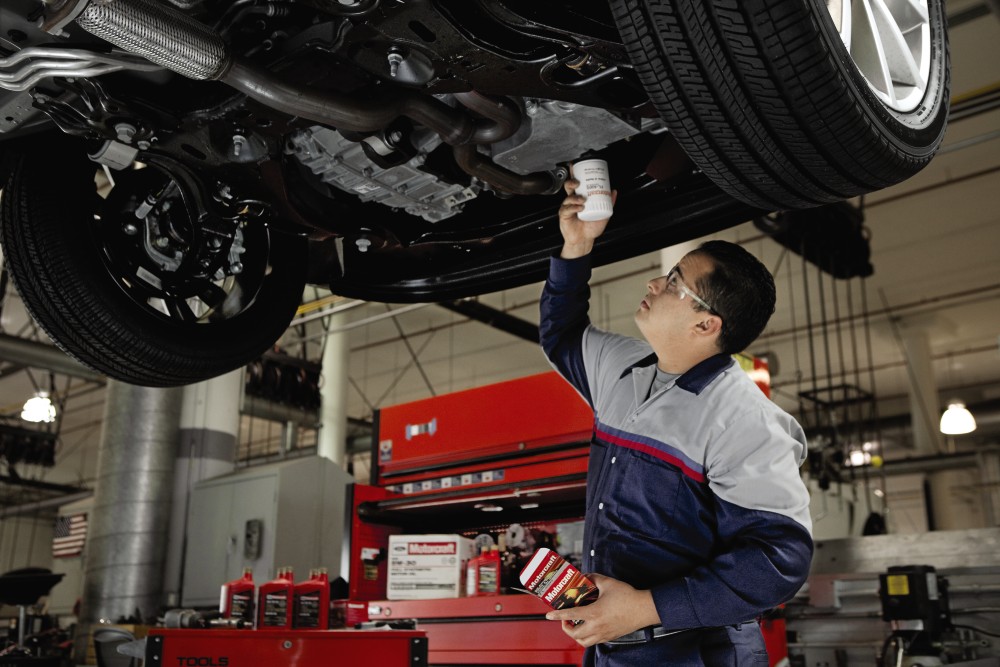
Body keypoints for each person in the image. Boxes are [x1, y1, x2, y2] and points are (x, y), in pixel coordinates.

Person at [539, 177, 813, 666]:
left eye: (673, 284)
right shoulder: (623, 369)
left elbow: (778, 562)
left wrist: (645, 608)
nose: (654, 284)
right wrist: (577, 246)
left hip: (696, 653)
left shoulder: (745, 423)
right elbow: (562, 334)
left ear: (706, 325)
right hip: (613, 647)